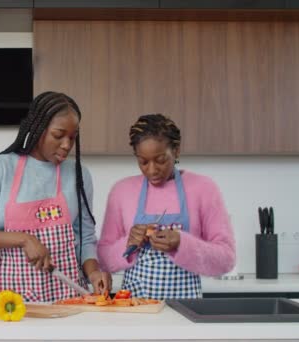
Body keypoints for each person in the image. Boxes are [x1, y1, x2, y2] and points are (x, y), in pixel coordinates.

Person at [0, 91, 111, 302]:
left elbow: (85, 237)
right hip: (16, 302)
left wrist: (93, 272)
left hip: (71, 297)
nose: (66, 145)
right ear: (38, 129)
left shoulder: (78, 175)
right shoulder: (0, 169)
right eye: (58, 135)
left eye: (72, 138)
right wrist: (24, 239)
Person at [97, 113, 235, 299]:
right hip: (135, 312)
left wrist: (181, 243)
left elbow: (226, 259)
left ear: (176, 151)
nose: (152, 170)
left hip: (186, 311)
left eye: (161, 160)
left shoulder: (204, 188)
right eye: (143, 162)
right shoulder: (121, 191)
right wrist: (128, 244)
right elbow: (103, 259)